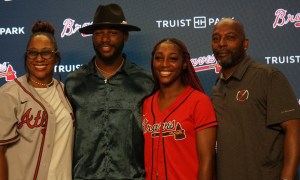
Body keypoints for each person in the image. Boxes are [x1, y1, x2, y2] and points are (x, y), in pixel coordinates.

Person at [64, 3, 154, 179]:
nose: (105, 39)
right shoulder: (73, 82)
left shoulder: (145, 82)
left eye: (112, 33)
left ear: (125, 36)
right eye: (98, 33)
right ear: (92, 37)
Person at [211, 18, 300, 180]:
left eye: (230, 38)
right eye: (216, 38)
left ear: (245, 44)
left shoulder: (267, 76)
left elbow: (294, 129)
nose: (221, 43)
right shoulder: (217, 87)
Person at [0, 21, 74, 180]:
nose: (39, 58)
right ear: (27, 57)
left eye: (46, 52)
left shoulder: (65, 91)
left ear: (56, 57)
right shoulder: (9, 94)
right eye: (33, 53)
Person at [142, 38, 217, 180]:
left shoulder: (199, 102)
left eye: (173, 59)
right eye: (158, 58)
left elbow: (207, 162)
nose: (164, 64)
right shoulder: (146, 104)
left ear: (183, 64)